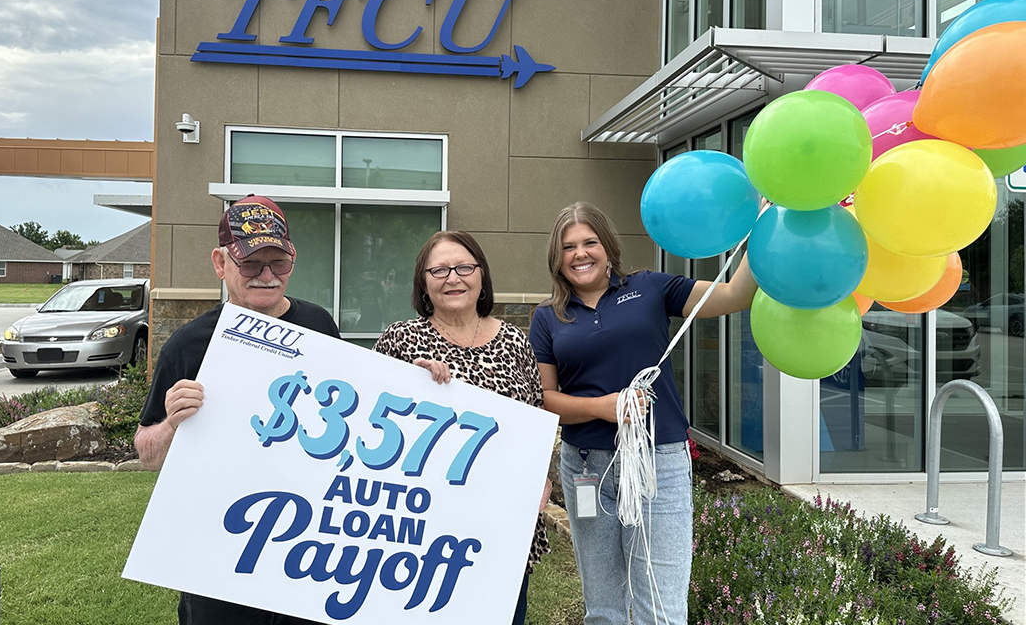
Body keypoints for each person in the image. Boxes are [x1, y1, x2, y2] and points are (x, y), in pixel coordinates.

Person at [528, 202, 757, 625]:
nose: (580, 253)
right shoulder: (547, 317)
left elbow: (734, 295)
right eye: (568, 246)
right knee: (603, 607)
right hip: (585, 470)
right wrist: (605, 407)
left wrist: (765, 227)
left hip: (658, 464)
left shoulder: (650, 287)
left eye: (589, 242)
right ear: (556, 258)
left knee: (661, 605)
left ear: (608, 246)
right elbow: (546, 398)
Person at [135, 194, 339, 625]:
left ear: (293, 260)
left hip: (306, 547)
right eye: (250, 264)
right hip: (219, 549)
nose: (266, 276)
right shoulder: (188, 344)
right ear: (220, 262)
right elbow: (147, 453)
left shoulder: (321, 327)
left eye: (277, 263)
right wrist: (172, 425)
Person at [372, 231, 551, 625]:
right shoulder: (401, 339)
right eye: (439, 270)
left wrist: (541, 479)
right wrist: (406, 384)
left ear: (481, 276)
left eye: (464, 267)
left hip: (502, 522)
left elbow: (535, 417)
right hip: (425, 524)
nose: (453, 278)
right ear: (423, 282)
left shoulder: (516, 341)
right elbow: (370, 417)